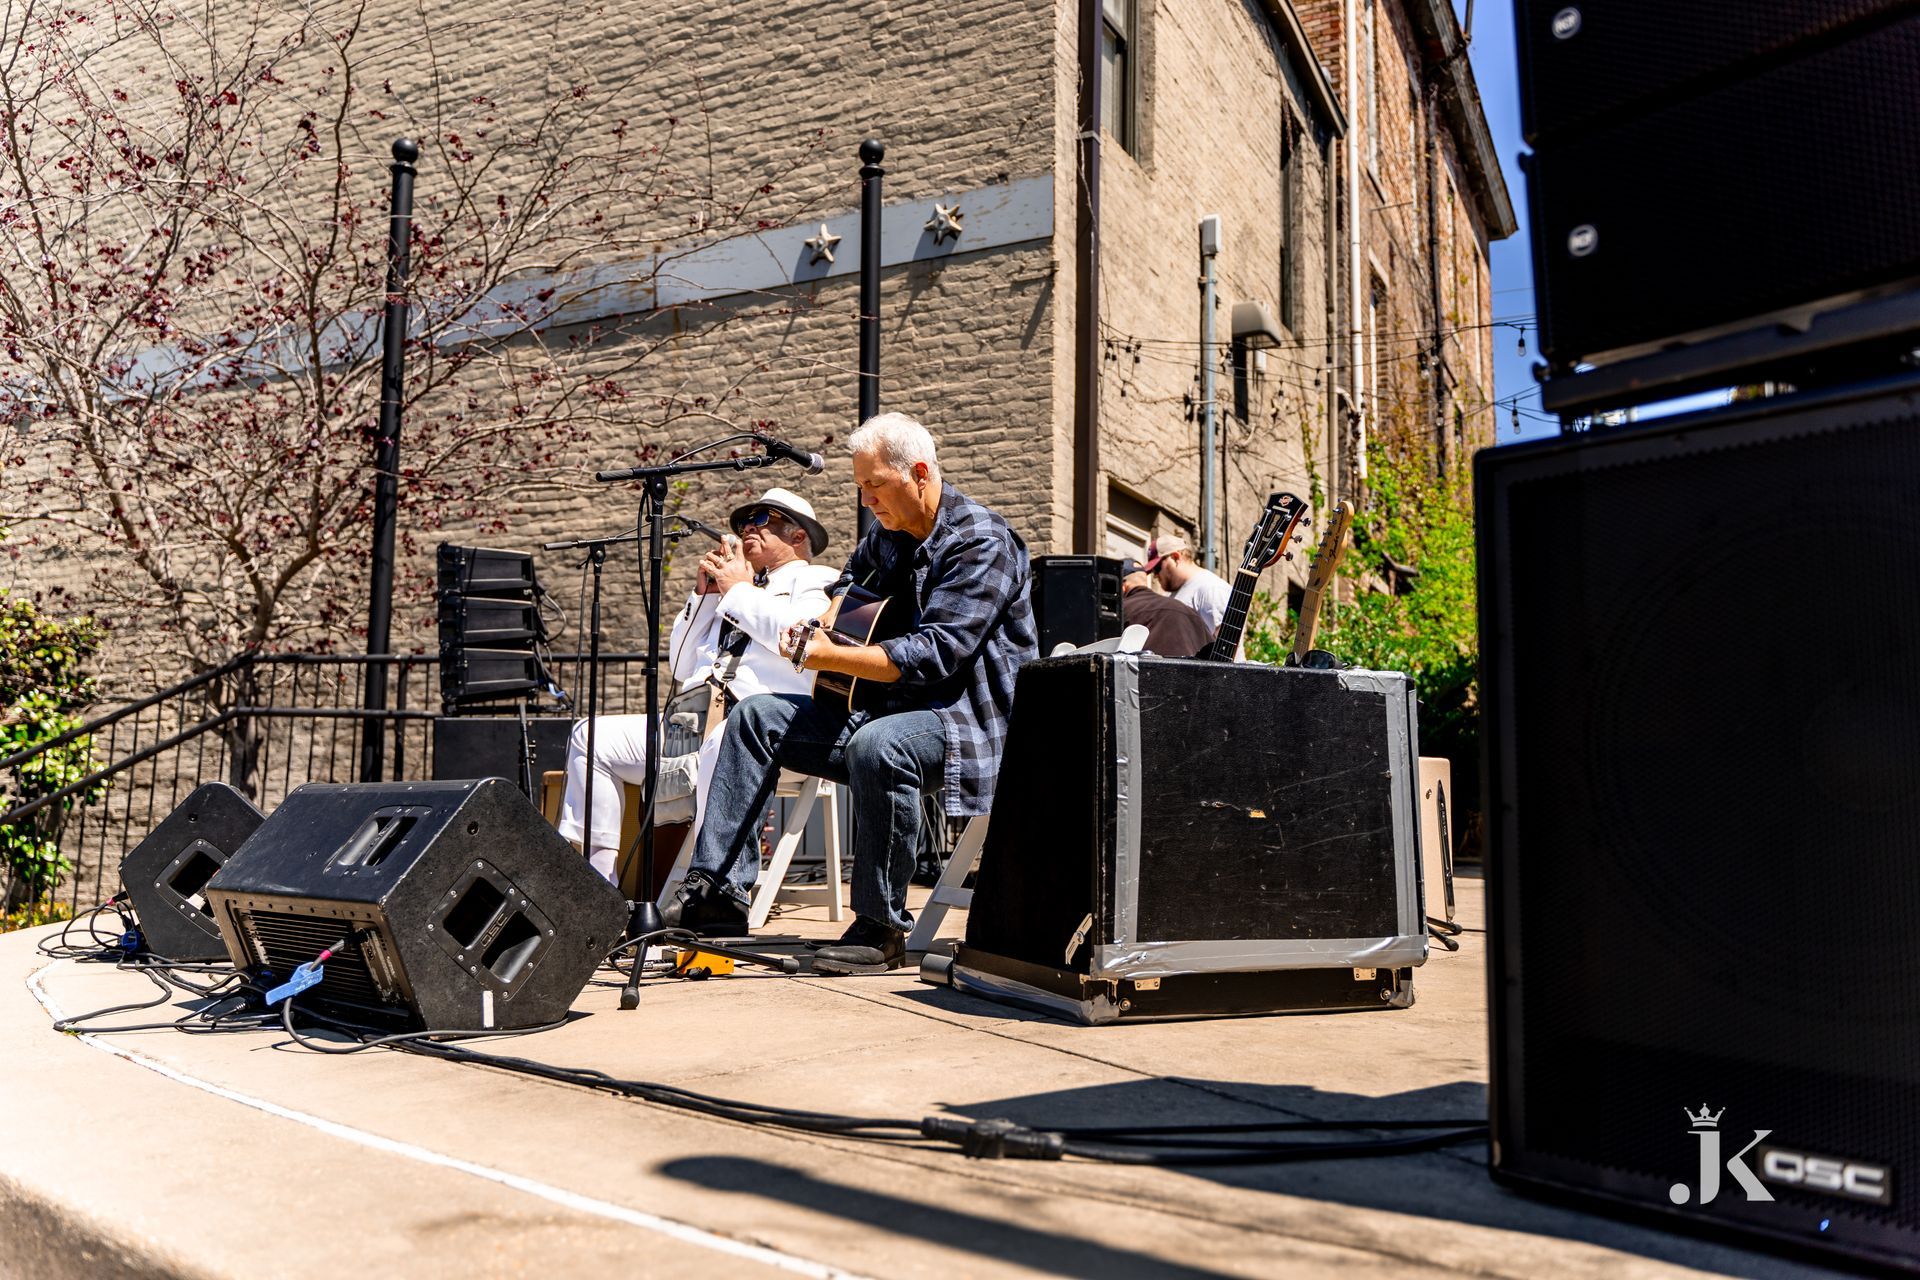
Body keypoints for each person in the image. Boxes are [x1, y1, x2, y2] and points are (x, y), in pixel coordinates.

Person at [667, 413, 1037, 972]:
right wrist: (829, 623)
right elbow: (846, 588)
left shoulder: (982, 543)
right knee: (754, 719)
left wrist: (817, 653)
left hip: (965, 725)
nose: (865, 500)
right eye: (859, 486)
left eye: (874, 485)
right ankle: (719, 894)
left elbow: (935, 654)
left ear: (917, 473)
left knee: (880, 746)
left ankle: (881, 925)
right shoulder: (885, 538)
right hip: (882, 710)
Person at [555, 488, 838, 884]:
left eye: (762, 521)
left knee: (722, 743)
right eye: (744, 523)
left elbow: (796, 642)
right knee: (590, 737)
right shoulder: (731, 588)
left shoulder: (820, 581)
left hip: (757, 727)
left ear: (798, 536)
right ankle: (597, 885)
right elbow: (683, 663)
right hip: (690, 719)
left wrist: (740, 590)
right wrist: (704, 595)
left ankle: (708, 886)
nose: (747, 530)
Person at [1118, 558, 1213, 657]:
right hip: (1195, 672)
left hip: (1149, 672)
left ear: (1122, 587)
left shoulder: (1121, 612)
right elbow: (1215, 658)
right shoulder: (1190, 612)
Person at [1145, 533, 1233, 634]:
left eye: (1157, 568)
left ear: (1175, 557)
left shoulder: (1211, 588)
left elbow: (1225, 645)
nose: (1155, 575)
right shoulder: (1172, 595)